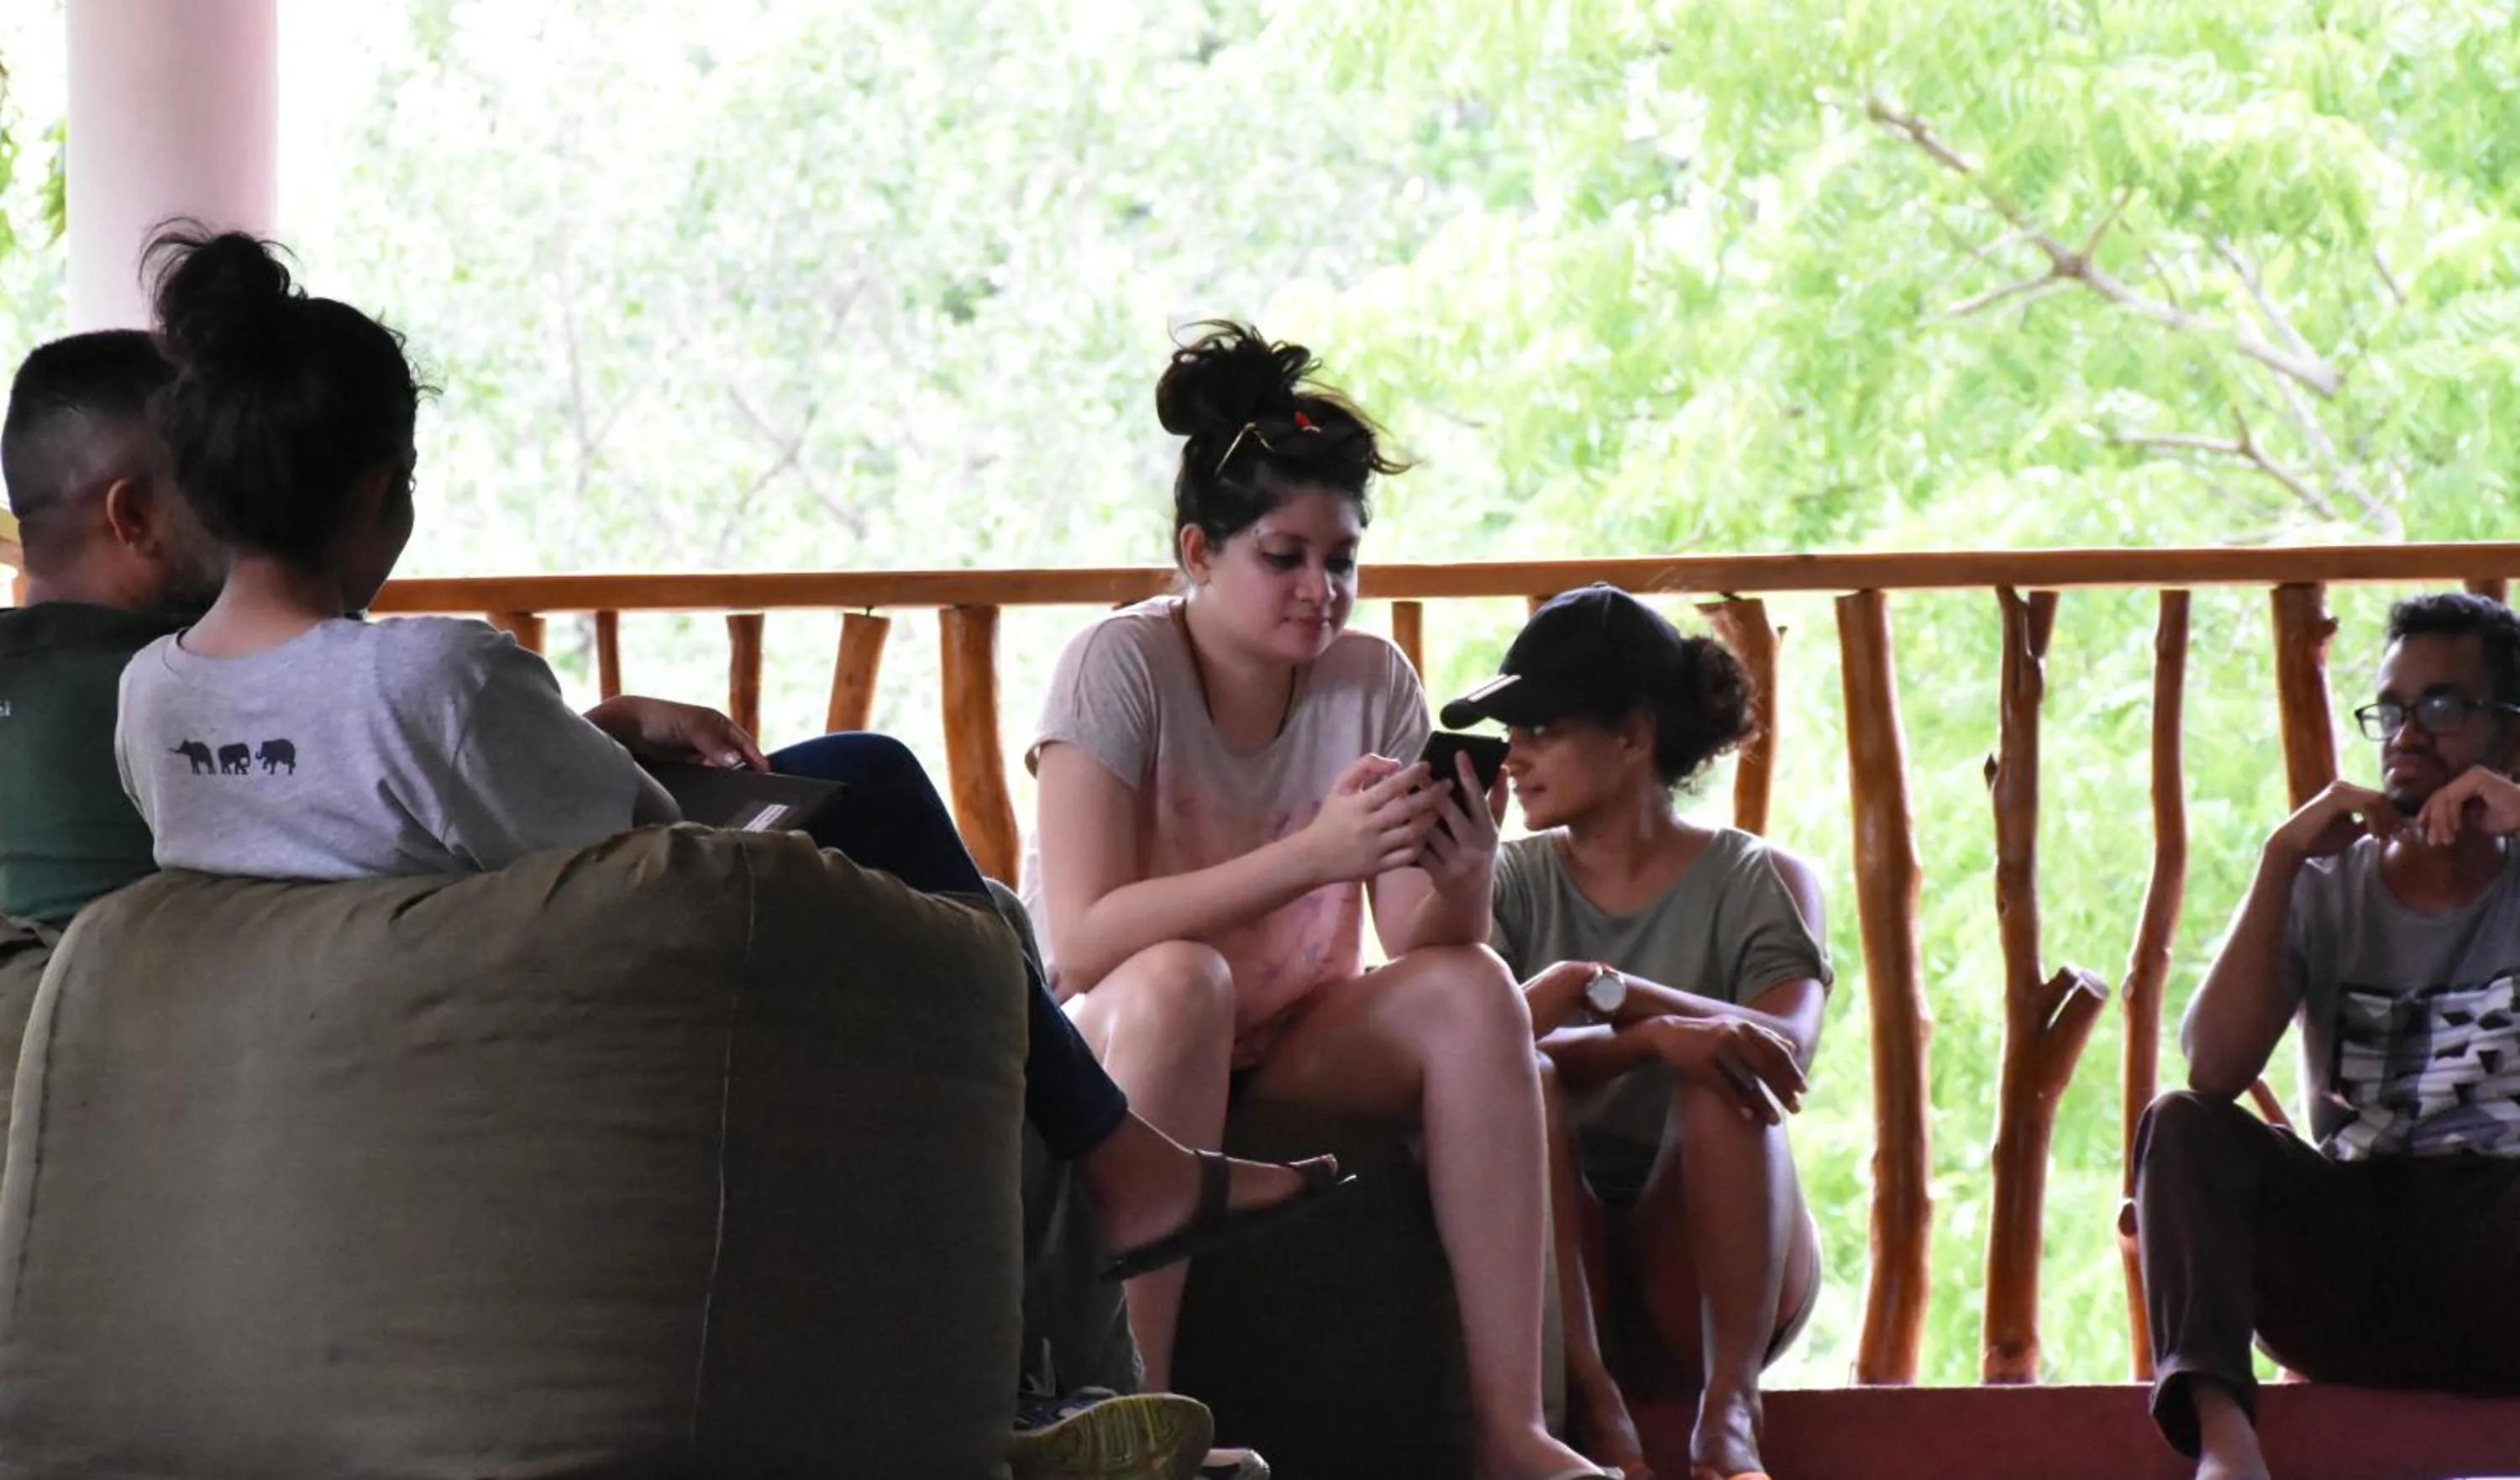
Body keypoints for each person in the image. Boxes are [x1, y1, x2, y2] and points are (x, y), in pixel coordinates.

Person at [107, 228, 1321, 1480]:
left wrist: (592, 730)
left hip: (367, 1049)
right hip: (587, 1033)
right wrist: (627, 763)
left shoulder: (155, 699)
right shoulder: (442, 673)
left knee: (947, 884)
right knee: (934, 866)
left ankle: (1081, 1314)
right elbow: (649, 866)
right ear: (380, 490)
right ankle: (1080, 1353)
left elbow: (354, 806)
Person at [1026, 322, 1612, 1480]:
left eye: (1341, 558)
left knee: (1474, 987)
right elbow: (1083, 938)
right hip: (1124, 1024)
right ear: (1199, 550)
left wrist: (1456, 865)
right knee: (1188, 977)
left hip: (1294, 1025)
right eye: (1283, 556)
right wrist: (1312, 853)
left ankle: (1509, 1425)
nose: (1320, 588)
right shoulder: (1116, 664)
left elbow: (1421, 941)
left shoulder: (1373, 678)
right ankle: (1143, 1418)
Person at [1443, 585, 1830, 1480]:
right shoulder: (1501, 882)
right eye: (1513, 733)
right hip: (1546, 1278)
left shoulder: (1759, 878)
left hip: (1700, 1267)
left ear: (1632, 734)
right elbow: (1485, 1049)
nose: (1517, 756)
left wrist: (1619, 1000)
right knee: (1526, 1078)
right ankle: (1593, 1402)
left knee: (1722, 1078)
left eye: (1542, 728)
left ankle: (1731, 1416)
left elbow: (1787, 1049)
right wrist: (1633, 1024)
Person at [2136, 591, 2520, 1480]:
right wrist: (2280, 861)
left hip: (2506, 1252)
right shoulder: (2322, 885)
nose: (2408, 733)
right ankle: (2227, 1445)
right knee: (2182, 1122)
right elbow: (2214, 1068)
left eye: (2444, 706)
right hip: (2358, 1266)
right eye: (2391, 709)